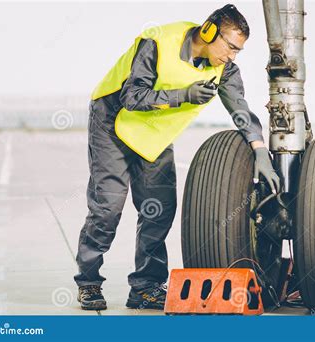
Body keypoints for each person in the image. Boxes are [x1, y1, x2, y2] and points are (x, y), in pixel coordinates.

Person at [74, 3, 280, 311]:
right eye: (230, 47)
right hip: (112, 120)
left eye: (239, 51)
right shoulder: (158, 42)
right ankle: (88, 282)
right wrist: (184, 95)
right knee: (108, 207)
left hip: (153, 134)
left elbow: (240, 108)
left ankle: (145, 288)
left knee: (159, 210)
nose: (232, 56)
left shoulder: (223, 70)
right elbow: (132, 96)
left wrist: (259, 149)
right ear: (209, 31)